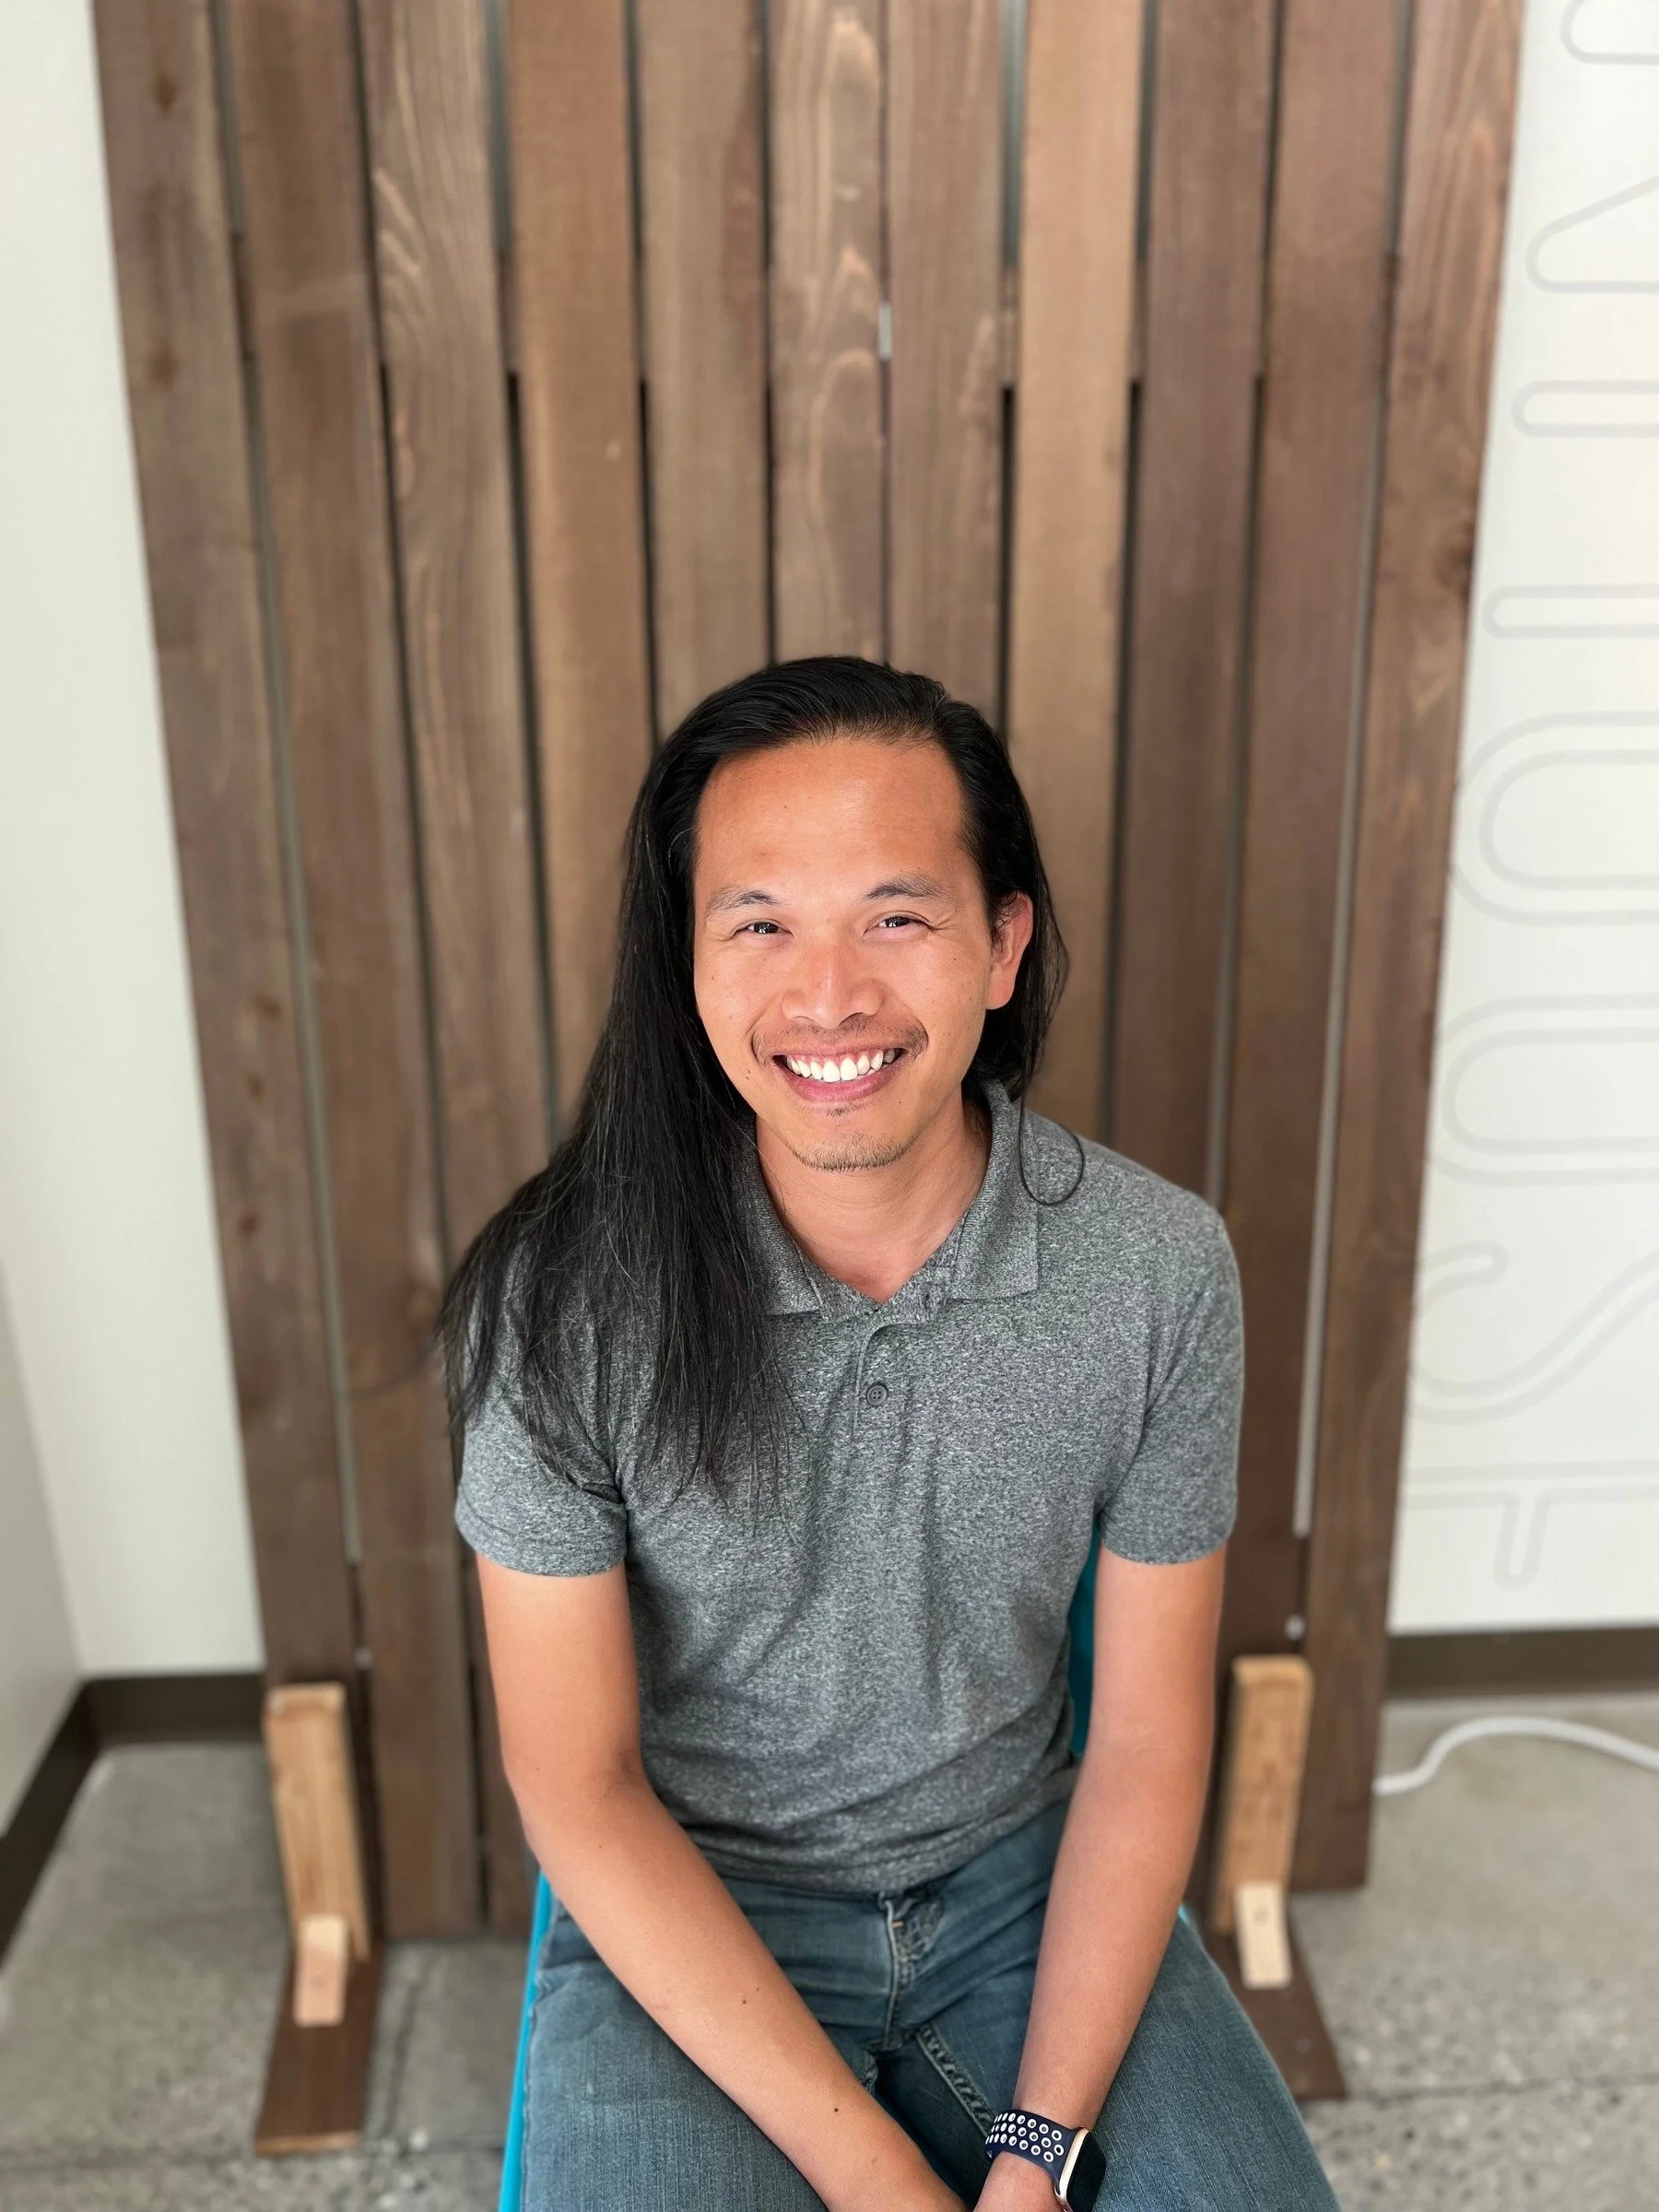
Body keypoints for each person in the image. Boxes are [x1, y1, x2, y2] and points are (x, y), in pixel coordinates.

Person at [441, 659, 1338, 2211]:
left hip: (1017, 1886)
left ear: (1003, 945)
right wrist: (882, 2183)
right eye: (762, 923)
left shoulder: (1157, 1270)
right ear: (689, 966)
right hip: (697, 1903)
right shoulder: (562, 1296)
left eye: (897, 916)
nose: (831, 995)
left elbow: (1140, 1741)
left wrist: (1037, 2154)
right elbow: (577, 1784)